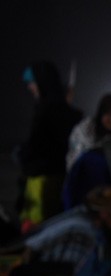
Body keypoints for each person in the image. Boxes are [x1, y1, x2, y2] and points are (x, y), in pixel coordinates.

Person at [16, 61, 83, 233]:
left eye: (32, 83)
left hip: (44, 183)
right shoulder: (68, 111)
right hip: (58, 180)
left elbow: (38, 146)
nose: (30, 87)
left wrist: (23, 154)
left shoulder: (47, 111)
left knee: (39, 229)